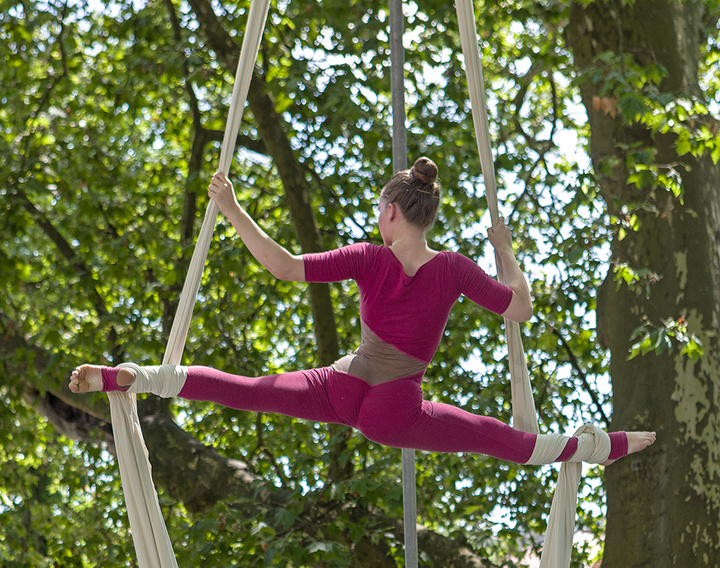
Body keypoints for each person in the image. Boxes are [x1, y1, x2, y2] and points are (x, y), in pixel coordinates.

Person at [68, 157, 655, 467]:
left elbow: (284, 265)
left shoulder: (368, 258)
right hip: (393, 408)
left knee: (247, 389)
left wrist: (232, 208)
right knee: (507, 442)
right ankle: (610, 446)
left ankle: (140, 377)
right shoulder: (453, 267)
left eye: (381, 207)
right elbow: (520, 308)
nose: (378, 217)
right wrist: (504, 250)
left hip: (345, 384)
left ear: (395, 211)